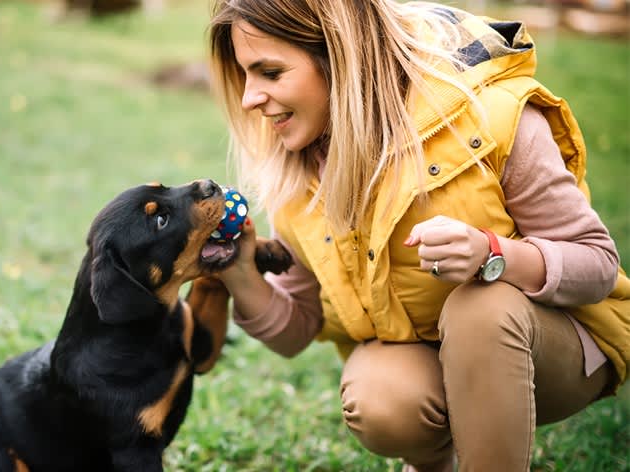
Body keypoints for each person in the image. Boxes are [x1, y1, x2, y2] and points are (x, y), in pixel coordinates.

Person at [206, 1, 630, 470]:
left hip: (557, 349)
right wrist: (239, 271)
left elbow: (596, 263)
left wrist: (494, 254)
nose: (249, 99)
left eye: (269, 71)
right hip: (429, 355)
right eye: (245, 76)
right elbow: (296, 327)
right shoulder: (301, 169)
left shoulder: (490, 118)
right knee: (382, 397)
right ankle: (432, 463)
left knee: (480, 308)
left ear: (340, 54)